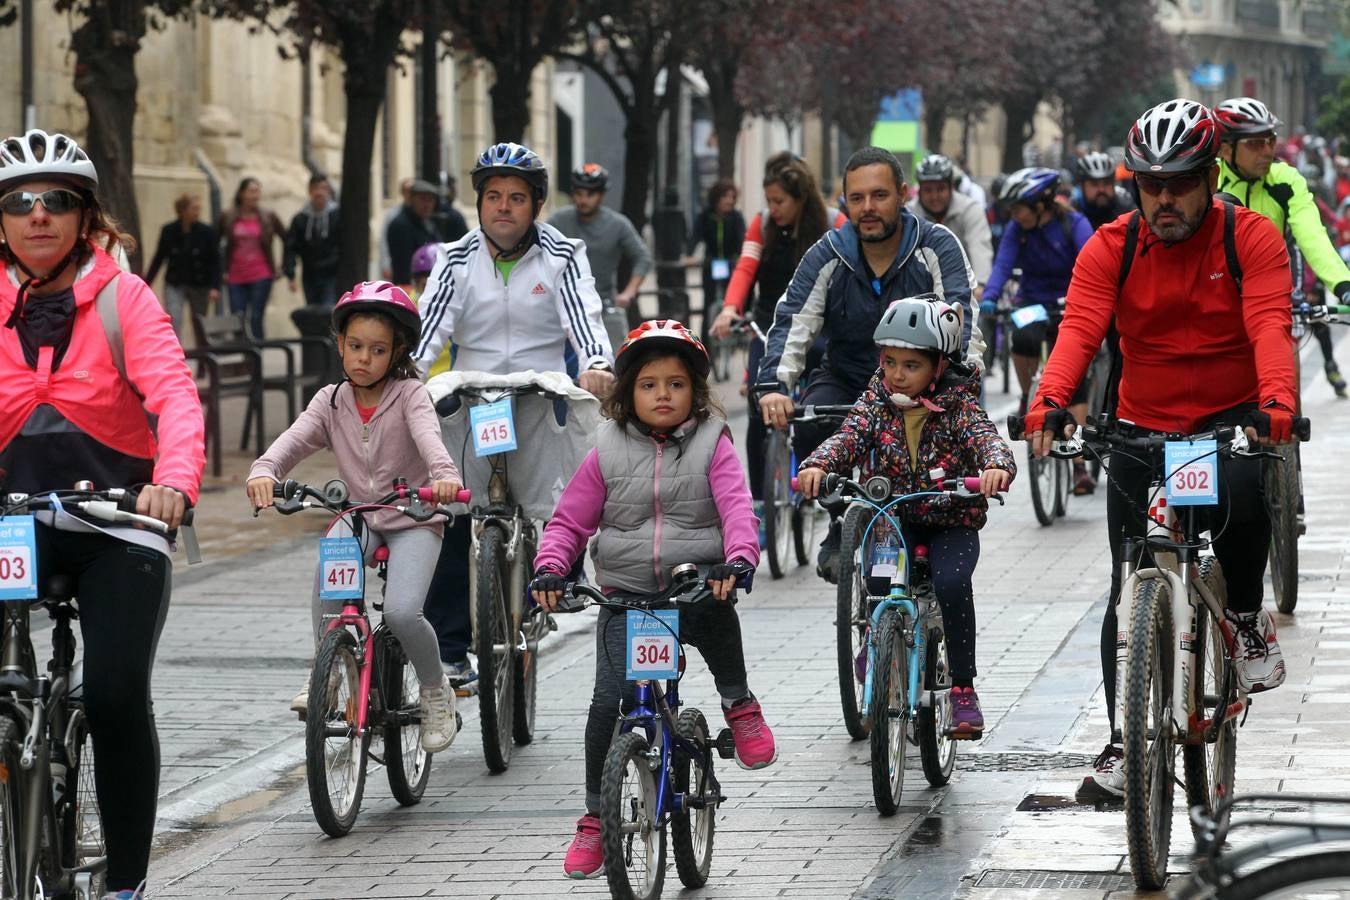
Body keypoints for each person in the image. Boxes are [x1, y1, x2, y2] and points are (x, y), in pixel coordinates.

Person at [1021, 98, 1295, 801]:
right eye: (1150, 184)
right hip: (1140, 427)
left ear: (1210, 176)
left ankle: (1241, 620)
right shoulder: (1110, 246)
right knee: (1131, 584)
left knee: (1238, 500)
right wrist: (1048, 400)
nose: (1164, 198)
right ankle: (1125, 737)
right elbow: (1079, 330)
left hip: (1224, 420)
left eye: (1178, 182)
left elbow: (1269, 326)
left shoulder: (1252, 238)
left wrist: (1276, 406)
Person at [0, 128, 205, 900]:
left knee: (116, 692)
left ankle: (124, 883)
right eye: (20, 202)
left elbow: (174, 397)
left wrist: (175, 481)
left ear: (85, 217)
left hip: (115, 525)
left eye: (58, 201)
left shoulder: (124, 297)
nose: (38, 215)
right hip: (10, 525)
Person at [528, 320, 773, 880]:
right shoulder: (605, 447)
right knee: (603, 705)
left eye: (676, 384)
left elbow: (737, 508)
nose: (663, 395)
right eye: (648, 384)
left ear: (696, 391)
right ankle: (594, 817)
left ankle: (739, 705)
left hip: (694, 583)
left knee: (717, 616)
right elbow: (569, 520)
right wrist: (550, 567)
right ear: (627, 393)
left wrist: (738, 561)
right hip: (626, 594)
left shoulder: (714, 441)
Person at [415, 141, 614, 685]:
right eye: (494, 196)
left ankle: (566, 571)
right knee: (450, 507)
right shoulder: (453, 258)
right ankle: (450, 646)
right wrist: (405, 372)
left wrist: (596, 362)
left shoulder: (563, 254)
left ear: (535, 206)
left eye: (517, 198)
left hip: (536, 392)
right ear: (479, 203)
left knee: (578, 453)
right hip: (472, 393)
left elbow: (585, 319)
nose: (504, 207)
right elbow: (427, 333)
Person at [247, 281, 461, 752]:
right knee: (330, 574)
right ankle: (325, 672)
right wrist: (264, 471)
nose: (363, 358)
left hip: (413, 516)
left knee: (404, 612)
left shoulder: (410, 396)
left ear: (398, 351)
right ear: (340, 343)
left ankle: (434, 690)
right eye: (355, 346)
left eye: (378, 349)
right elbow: (293, 441)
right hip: (358, 515)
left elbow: (431, 442)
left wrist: (443, 476)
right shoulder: (330, 401)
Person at [756, 146, 984, 582]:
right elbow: (793, 319)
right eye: (856, 198)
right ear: (844, 202)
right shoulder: (828, 253)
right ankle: (841, 518)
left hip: (924, 383)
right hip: (845, 375)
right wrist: (773, 387)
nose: (868, 208)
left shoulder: (935, 244)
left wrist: (957, 379)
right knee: (808, 423)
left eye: (879, 195)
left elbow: (961, 317)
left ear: (902, 194)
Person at [797, 296, 1014, 735]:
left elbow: (988, 439)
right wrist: (819, 465)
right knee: (879, 580)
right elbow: (850, 435)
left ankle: (963, 689)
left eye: (911, 365)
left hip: (952, 520)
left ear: (938, 365)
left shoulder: (959, 405)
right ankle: (878, 639)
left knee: (952, 584)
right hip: (894, 519)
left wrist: (996, 468)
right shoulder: (878, 398)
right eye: (890, 361)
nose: (897, 373)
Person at [708, 155, 836, 523]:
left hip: (818, 328)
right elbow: (745, 268)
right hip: (768, 326)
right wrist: (730, 308)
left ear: (800, 198)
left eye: (780, 201)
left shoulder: (832, 223)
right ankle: (761, 504)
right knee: (756, 408)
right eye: (769, 201)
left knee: (823, 407)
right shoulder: (761, 225)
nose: (773, 209)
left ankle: (821, 477)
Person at [1215, 96, 1350, 397]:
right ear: (1226, 149)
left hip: (1275, 281)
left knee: (1284, 384)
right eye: (1254, 143)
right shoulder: (1208, 180)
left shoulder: (1286, 179)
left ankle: (1287, 435)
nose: (1267, 151)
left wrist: (1343, 284)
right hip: (1218, 288)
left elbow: (1313, 234)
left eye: (1270, 139)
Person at [982, 167, 1096, 492]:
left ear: (1041, 204)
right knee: (1021, 337)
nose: (1014, 215)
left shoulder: (1073, 224)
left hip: (1069, 303)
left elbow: (1092, 261)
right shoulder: (1017, 230)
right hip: (1031, 303)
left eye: (1018, 208)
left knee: (1075, 382)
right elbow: (1003, 264)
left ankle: (1079, 468)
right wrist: (990, 298)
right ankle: (1026, 394)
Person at [548, 162, 652, 352]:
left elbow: (643, 258)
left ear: (601, 195)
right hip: (560, 308)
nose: (583, 199)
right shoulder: (557, 221)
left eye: (590, 194)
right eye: (578, 193)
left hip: (603, 308)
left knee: (610, 367)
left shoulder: (618, 224)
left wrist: (628, 293)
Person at [907, 154, 994, 293]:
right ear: (920, 190)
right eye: (928, 190)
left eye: (940, 189)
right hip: (919, 289)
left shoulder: (970, 209)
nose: (934, 196)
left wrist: (981, 285)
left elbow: (980, 248)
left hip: (963, 287)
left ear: (951, 187)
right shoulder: (909, 213)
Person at [144, 192, 221, 334]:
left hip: (199, 284)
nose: (197, 212)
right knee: (174, 318)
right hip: (175, 282)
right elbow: (159, 258)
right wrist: (146, 283)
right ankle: (175, 354)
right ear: (183, 210)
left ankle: (203, 354)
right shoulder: (169, 231)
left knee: (199, 323)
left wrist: (215, 286)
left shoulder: (207, 232)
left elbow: (215, 261)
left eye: (199, 208)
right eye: (194, 208)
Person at [219, 176, 285, 340]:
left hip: (261, 274)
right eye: (251, 191)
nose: (255, 195)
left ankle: (257, 358)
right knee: (238, 318)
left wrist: (282, 267)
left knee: (256, 317)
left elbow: (288, 238)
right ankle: (243, 358)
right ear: (242, 193)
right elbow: (215, 243)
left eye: (257, 192)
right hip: (235, 275)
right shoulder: (228, 216)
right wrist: (222, 270)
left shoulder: (268, 216)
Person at [687, 178, 747, 330]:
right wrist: (689, 255)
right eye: (726, 196)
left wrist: (741, 257)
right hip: (711, 262)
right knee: (709, 302)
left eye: (732, 197)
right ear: (716, 198)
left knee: (733, 300)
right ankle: (706, 341)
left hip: (731, 262)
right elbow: (695, 238)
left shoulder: (736, 218)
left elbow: (743, 240)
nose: (729, 200)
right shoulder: (705, 217)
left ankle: (736, 333)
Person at [283, 173, 341, 307]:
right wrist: (290, 274)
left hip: (331, 275)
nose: (319, 192)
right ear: (310, 191)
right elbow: (291, 247)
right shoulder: (300, 219)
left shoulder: (337, 216)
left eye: (323, 188)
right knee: (312, 312)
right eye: (316, 188)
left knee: (328, 311)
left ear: (328, 191)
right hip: (309, 275)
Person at [387, 179, 449, 287]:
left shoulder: (428, 222)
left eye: (430, 200)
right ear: (411, 200)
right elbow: (403, 266)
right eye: (422, 199)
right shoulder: (401, 225)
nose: (427, 205)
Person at [1073, 151, 1135, 232]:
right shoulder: (1073, 211)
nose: (1101, 189)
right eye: (1094, 184)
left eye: (1107, 183)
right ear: (1082, 186)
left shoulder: (1128, 209)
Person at [379, 177, 414, 281]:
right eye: (407, 191)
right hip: (398, 268)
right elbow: (384, 239)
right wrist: (385, 264)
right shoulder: (393, 214)